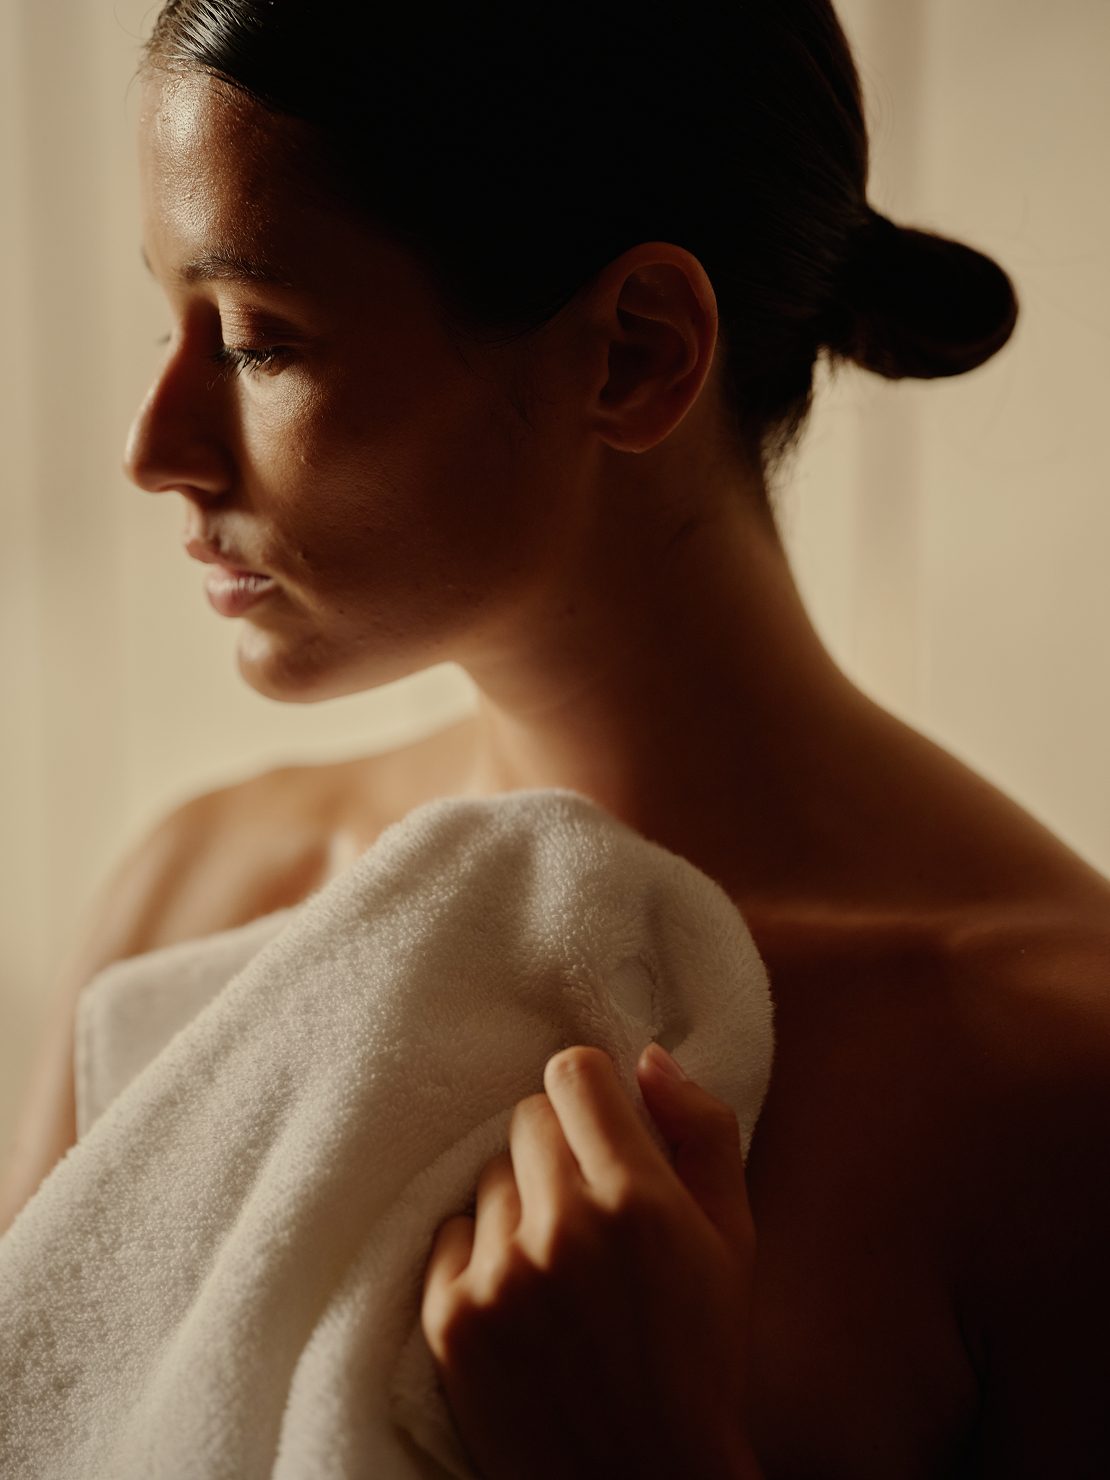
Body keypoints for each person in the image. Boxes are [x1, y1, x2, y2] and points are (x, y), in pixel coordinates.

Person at [3, 0, 1109, 1473]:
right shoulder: (198, 893)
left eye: (262, 341)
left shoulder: (1054, 1086)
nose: (154, 448)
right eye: (169, 321)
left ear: (635, 353)